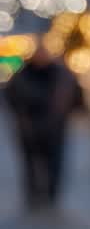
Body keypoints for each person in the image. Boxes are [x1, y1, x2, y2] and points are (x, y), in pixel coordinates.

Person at [3, 44, 78, 210]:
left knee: (54, 162)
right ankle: (33, 193)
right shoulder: (22, 76)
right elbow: (12, 97)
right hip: (29, 128)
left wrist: (61, 114)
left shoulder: (60, 75)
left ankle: (51, 194)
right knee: (30, 163)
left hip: (54, 128)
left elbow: (72, 97)